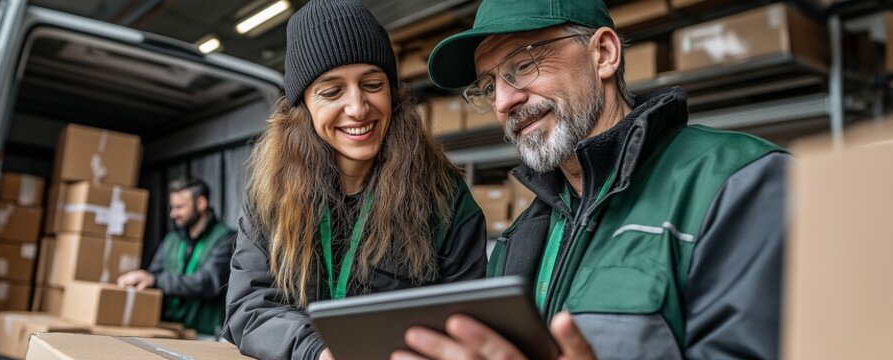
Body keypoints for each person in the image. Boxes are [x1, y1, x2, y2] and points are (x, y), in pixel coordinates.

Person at [394, 1, 789, 359]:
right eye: (488, 85)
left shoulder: (735, 182)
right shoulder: (517, 242)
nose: (502, 102)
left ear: (603, 54)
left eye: (522, 65)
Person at [222, 0, 488, 359]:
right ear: (303, 107)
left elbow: (466, 322)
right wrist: (318, 351)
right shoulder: (272, 193)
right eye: (332, 91)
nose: (358, 107)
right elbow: (248, 307)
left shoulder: (445, 199)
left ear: (393, 94)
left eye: (372, 84)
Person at [117, 177, 236, 337]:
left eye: (179, 207)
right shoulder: (171, 239)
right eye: (172, 207)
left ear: (201, 203)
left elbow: (208, 282)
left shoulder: (225, 238)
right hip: (169, 330)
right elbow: (152, 275)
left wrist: (155, 280)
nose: (173, 214)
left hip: (206, 336)